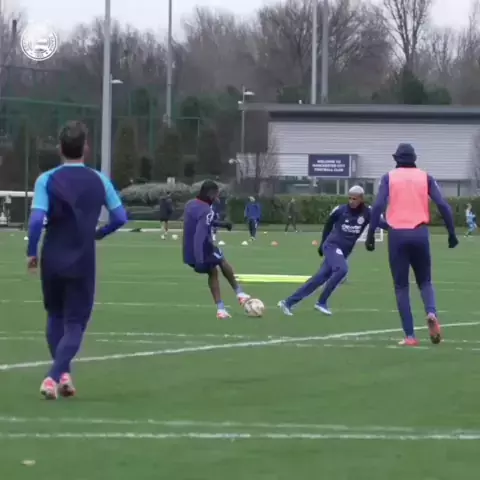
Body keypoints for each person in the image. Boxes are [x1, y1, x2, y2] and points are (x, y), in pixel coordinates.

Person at [26, 121, 127, 399]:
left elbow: (36, 220)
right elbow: (120, 217)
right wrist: (100, 233)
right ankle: (52, 377)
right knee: (75, 323)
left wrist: (32, 252)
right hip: (83, 258)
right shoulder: (99, 180)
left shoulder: (46, 180)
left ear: (60, 148)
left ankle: (63, 375)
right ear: (86, 148)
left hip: (52, 257)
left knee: (55, 315)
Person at [366, 143, 458, 347]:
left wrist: (371, 233)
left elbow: (379, 205)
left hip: (397, 234)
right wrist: (451, 233)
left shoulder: (389, 177)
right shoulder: (425, 177)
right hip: (420, 233)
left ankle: (410, 336)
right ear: (414, 159)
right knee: (425, 281)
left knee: (401, 286)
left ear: (396, 159)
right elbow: (442, 205)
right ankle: (431, 312)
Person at [278, 186, 385, 316]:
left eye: (354, 199)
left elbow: (383, 224)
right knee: (342, 269)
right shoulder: (340, 210)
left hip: (344, 251)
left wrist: (401, 227)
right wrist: (322, 244)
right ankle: (321, 302)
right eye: (350, 198)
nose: (351, 201)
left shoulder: (368, 212)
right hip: (331, 246)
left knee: (319, 278)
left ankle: (287, 303)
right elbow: (328, 225)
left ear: (361, 199)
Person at [183, 180, 251, 318]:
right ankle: (240, 293)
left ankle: (221, 309)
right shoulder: (207, 210)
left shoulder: (190, 204)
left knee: (213, 272)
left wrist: (221, 224)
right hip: (202, 249)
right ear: (210, 194)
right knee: (221, 259)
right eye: (216, 194)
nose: (217, 197)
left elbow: (201, 222)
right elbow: (200, 233)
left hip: (187, 251)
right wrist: (199, 258)